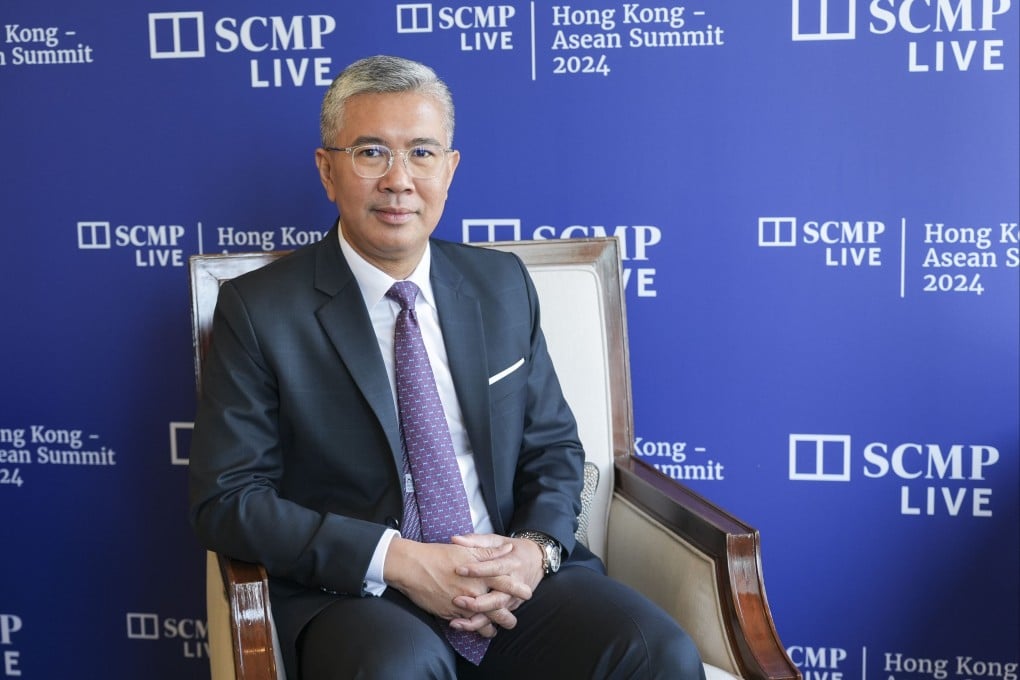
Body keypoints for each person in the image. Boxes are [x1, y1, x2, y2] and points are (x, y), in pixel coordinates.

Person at [189, 54, 706, 679]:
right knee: (398, 670)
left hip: (509, 577)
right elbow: (228, 499)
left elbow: (553, 448)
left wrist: (533, 553)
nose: (399, 180)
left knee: (655, 653)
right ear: (327, 170)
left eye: (422, 153)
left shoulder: (501, 286)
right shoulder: (258, 309)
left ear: (450, 168)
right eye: (371, 152)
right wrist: (399, 560)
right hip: (359, 593)